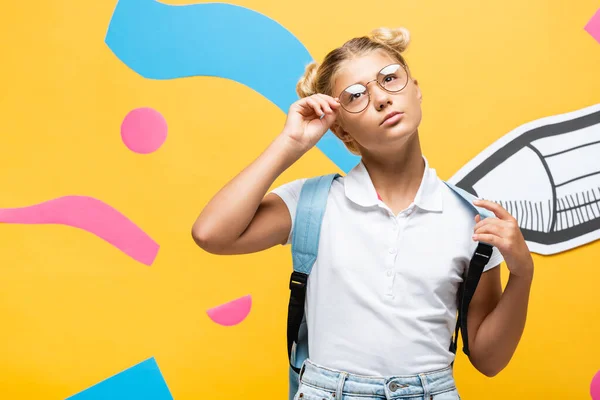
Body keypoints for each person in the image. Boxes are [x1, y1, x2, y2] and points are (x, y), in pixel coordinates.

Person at [192, 26, 534, 400]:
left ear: (415, 89)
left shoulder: (471, 219)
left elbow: (489, 360)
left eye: (390, 79)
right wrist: (290, 143)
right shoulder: (313, 203)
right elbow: (211, 233)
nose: (382, 99)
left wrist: (523, 273)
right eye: (355, 96)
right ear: (341, 131)